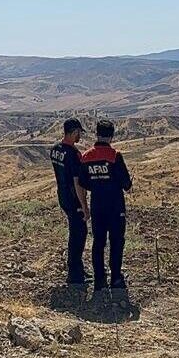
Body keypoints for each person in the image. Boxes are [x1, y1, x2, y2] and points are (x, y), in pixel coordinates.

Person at [78, 120, 133, 294]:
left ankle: (99, 280)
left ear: (97, 134)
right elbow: (126, 184)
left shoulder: (86, 156)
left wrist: (97, 185)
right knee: (117, 242)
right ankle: (116, 277)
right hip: (116, 207)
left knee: (98, 243)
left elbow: (83, 182)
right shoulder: (115, 155)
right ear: (111, 136)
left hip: (97, 207)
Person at [50, 118, 89, 284]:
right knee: (78, 234)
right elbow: (77, 182)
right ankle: (75, 274)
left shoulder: (55, 150)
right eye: (79, 133)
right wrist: (85, 207)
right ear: (74, 132)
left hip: (63, 197)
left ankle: (77, 269)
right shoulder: (74, 154)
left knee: (76, 232)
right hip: (73, 200)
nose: (80, 136)